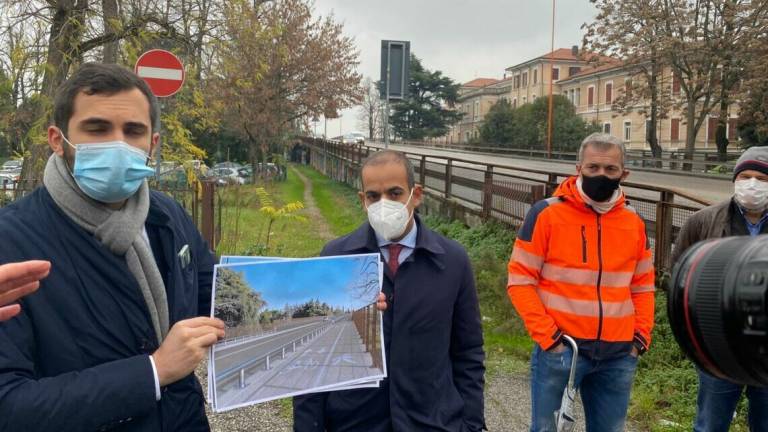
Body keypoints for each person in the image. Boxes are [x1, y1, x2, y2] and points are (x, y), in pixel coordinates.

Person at [0, 63, 225, 431]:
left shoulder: (167, 215)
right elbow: (10, 405)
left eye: (133, 131)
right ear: (57, 139)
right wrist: (153, 371)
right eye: (97, 128)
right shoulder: (11, 241)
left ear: (152, 143)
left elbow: (216, 298)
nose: (117, 144)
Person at [293, 150, 486, 431]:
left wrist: (471, 424)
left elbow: (468, 351)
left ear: (415, 195)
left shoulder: (452, 261)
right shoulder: (336, 258)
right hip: (355, 422)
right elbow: (315, 354)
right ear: (363, 200)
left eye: (395, 193)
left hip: (431, 422)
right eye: (373, 196)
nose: (384, 204)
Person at [507, 133, 655, 432]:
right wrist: (549, 338)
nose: (601, 175)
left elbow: (643, 285)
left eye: (610, 170)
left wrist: (639, 339)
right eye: (593, 168)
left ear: (623, 173)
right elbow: (520, 280)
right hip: (562, 350)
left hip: (618, 354)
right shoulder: (547, 214)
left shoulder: (633, 222)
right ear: (578, 168)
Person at [672, 146, 768, 432]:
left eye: (762, 179)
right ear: (735, 179)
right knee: (711, 424)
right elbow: (677, 275)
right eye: (746, 176)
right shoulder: (703, 222)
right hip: (719, 348)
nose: (752, 184)